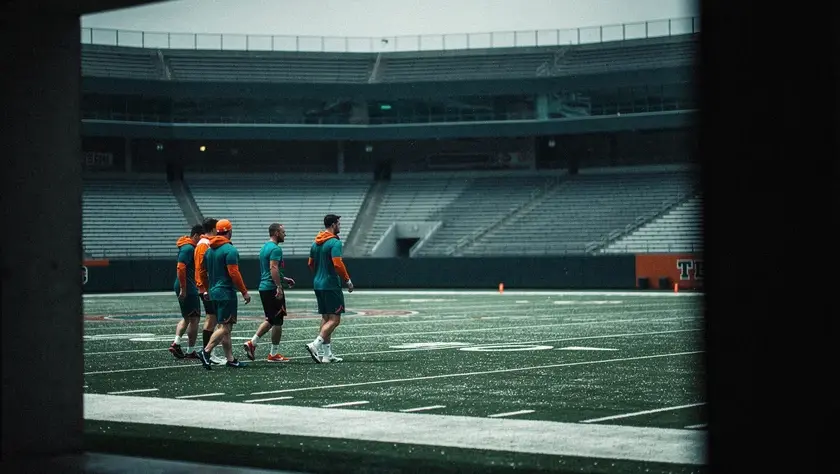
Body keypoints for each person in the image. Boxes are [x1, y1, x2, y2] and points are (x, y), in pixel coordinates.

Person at [197, 219, 251, 369]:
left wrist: (207, 288)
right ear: (229, 231)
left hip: (214, 292)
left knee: (224, 327)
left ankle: (230, 358)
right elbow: (234, 273)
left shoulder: (209, 250)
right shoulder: (230, 250)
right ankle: (206, 351)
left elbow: (201, 272)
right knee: (225, 328)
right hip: (226, 293)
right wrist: (244, 292)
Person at [305, 214, 353, 364]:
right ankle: (315, 344)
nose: (340, 226)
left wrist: (319, 274)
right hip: (331, 284)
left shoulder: (315, 243)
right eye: (338, 223)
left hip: (318, 283)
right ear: (333, 225)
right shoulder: (334, 243)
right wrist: (347, 280)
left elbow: (310, 264)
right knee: (335, 319)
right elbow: (337, 264)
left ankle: (327, 355)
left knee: (326, 318)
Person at [244, 223, 296, 362]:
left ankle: (252, 343)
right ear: (276, 233)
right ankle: (273, 354)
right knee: (278, 321)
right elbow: (273, 268)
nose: (285, 234)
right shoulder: (275, 249)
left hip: (264, 287)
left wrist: (284, 279)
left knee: (271, 319)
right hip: (272, 288)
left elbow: (270, 270)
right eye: (283, 232)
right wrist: (279, 287)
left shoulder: (264, 247)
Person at [169, 224, 204, 359]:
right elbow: (181, 267)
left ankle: (176, 343)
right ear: (195, 235)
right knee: (194, 319)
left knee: (187, 318)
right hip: (188, 286)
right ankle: (190, 351)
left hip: (186, 285)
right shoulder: (189, 248)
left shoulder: (187, 246)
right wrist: (184, 288)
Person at [194, 217, 225, 365]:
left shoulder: (205, 243)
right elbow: (201, 268)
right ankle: (208, 352)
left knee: (212, 319)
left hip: (208, 287)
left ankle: (209, 352)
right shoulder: (204, 244)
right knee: (212, 319)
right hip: (207, 288)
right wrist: (205, 288)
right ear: (213, 229)